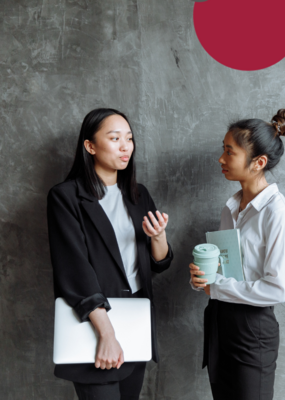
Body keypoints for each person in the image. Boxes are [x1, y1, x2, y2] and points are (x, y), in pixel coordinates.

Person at [47, 108, 174, 400]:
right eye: (115, 138)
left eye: (129, 138)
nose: (125, 146)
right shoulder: (65, 197)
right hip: (94, 322)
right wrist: (106, 334)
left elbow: (158, 263)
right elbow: (74, 270)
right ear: (90, 146)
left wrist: (159, 237)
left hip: (135, 320)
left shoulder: (138, 194)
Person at [189, 109, 285, 400]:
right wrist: (203, 277)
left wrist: (216, 286)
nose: (221, 159)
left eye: (229, 152)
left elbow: (278, 288)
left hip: (253, 332)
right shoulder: (232, 206)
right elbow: (229, 270)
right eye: (222, 150)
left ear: (258, 163)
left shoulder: (276, 212)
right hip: (220, 324)